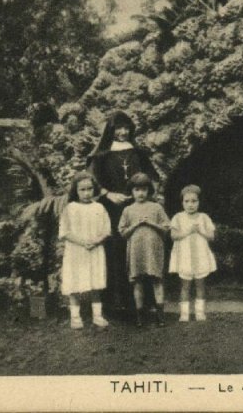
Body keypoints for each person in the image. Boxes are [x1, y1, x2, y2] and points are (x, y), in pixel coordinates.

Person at [87, 110, 159, 316]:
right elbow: (90, 180)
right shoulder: (101, 155)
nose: (123, 132)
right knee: (116, 251)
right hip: (113, 210)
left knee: (139, 248)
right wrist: (108, 194)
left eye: (126, 128)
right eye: (118, 128)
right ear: (111, 130)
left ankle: (142, 303)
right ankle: (117, 303)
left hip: (136, 207)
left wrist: (143, 194)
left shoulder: (137, 153)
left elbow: (152, 177)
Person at [59, 172, 111, 329]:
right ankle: (75, 317)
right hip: (76, 251)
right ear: (76, 191)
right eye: (82, 189)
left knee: (95, 283)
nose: (87, 193)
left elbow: (106, 230)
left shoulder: (99, 207)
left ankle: (97, 315)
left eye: (90, 189)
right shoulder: (70, 208)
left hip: (94, 250)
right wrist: (82, 242)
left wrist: (95, 241)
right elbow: (65, 232)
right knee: (75, 283)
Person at [118, 173, 170, 328]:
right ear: (131, 191)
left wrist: (152, 223)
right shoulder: (128, 210)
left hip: (153, 250)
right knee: (137, 282)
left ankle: (160, 316)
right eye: (136, 190)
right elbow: (122, 232)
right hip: (136, 251)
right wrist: (135, 225)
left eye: (144, 189)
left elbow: (167, 227)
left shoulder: (156, 207)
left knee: (157, 280)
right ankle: (140, 316)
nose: (140, 193)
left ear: (149, 191)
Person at [169, 185, 217, 322]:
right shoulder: (178, 217)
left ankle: (200, 312)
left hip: (200, 255)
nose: (190, 204)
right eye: (187, 201)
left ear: (199, 202)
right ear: (182, 202)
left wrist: (200, 231)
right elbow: (173, 236)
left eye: (194, 201)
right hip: (185, 256)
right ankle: (184, 313)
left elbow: (211, 236)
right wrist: (188, 231)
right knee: (185, 285)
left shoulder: (204, 217)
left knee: (200, 284)